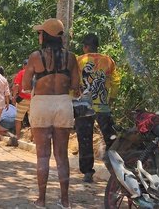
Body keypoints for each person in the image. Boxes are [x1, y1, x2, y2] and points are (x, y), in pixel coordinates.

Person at [23, 18, 79, 209]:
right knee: (61, 155)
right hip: (63, 103)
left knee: (43, 156)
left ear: (46, 35)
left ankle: (41, 199)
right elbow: (75, 86)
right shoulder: (71, 58)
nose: (39, 35)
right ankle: (65, 201)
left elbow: (24, 84)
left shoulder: (35, 57)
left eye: (40, 33)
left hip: (41, 105)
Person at [75, 33, 120, 183]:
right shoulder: (108, 60)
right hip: (103, 106)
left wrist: (72, 99)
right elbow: (115, 81)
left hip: (83, 107)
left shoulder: (79, 61)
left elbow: (73, 82)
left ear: (85, 47)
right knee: (111, 139)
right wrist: (112, 98)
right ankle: (118, 171)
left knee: (85, 139)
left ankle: (87, 173)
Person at [12, 59, 31, 141]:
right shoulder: (35, 74)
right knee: (32, 120)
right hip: (33, 100)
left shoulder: (21, 73)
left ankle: (18, 137)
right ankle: (33, 139)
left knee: (18, 119)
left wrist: (14, 96)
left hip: (22, 99)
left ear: (24, 65)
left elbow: (16, 85)